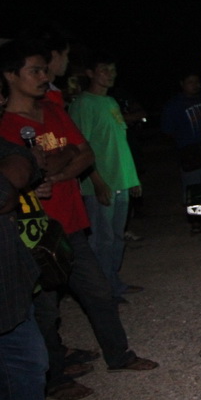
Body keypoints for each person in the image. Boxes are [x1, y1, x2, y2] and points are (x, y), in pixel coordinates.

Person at [0, 40, 158, 400]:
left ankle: (119, 356)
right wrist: (57, 160)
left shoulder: (52, 111)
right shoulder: (6, 125)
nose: (44, 77)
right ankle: (55, 378)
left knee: (99, 292)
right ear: (10, 75)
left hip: (70, 224)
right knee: (44, 310)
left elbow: (85, 153)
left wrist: (53, 172)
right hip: (33, 233)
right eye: (34, 71)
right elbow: (17, 178)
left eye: (44, 69)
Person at [0, 110, 110, 400]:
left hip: (12, 276)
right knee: (25, 362)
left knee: (26, 367)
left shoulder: (48, 113)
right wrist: (22, 168)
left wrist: (26, 168)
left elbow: (49, 160)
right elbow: (6, 188)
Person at [68, 50, 143, 302]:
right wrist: (97, 182)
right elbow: (81, 148)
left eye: (112, 70)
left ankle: (113, 283)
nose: (109, 75)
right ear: (90, 73)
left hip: (121, 180)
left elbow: (119, 143)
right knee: (102, 239)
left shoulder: (110, 102)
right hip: (102, 184)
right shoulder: (83, 104)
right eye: (103, 70)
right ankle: (101, 291)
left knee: (117, 237)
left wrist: (133, 178)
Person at [160, 71, 201, 232]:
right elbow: (167, 131)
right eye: (190, 82)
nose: (195, 85)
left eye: (197, 82)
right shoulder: (174, 104)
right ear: (182, 84)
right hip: (190, 153)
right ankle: (195, 220)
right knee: (192, 187)